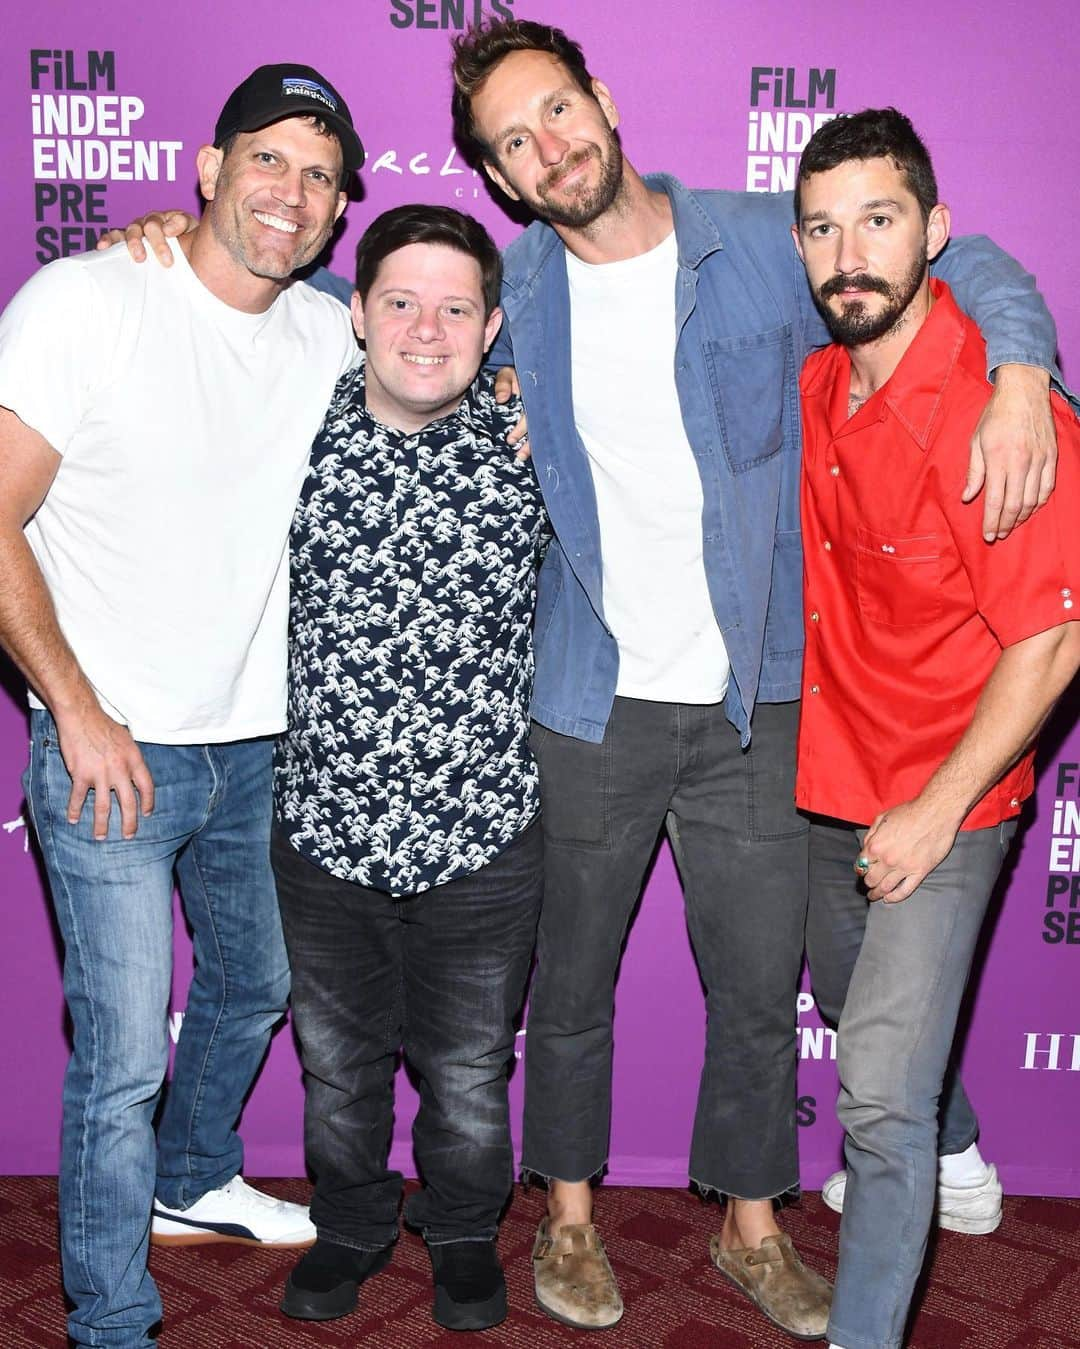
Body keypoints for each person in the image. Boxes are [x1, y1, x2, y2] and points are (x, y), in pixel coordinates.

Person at [445, 18, 1068, 1338]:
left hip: (760, 699)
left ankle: (749, 1225)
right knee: (571, 981)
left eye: (555, 110)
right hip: (590, 696)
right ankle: (565, 1220)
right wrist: (174, 236)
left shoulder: (758, 240)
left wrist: (1022, 370)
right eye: (514, 141)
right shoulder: (516, 290)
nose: (547, 148)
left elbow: (966, 260)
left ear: (600, 101)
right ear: (500, 179)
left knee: (754, 982)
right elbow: (374, 308)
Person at [0, 64, 364, 1347]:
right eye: (267, 158)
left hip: (259, 747)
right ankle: (111, 1319)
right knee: (121, 1062)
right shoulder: (88, 299)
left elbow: (456, 331)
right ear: (206, 170)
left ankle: (192, 1173)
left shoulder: (330, 329)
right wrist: (76, 708)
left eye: (320, 176)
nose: (293, 191)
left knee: (256, 981)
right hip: (114, 750)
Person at [790, 108, 1080, 1349]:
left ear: (937, 235)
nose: (848, 252)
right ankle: (960, 1148)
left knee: (877, 1102)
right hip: (826, 770)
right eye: (823, 225)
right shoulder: (816, 381)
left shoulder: (1004, 420)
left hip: (948, 794)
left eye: (880, 219)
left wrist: (938, 806)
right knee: (857, 1006)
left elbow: (1052, 641)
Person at [271, 204, 547, 1332]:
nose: (425, 329)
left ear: (491, 328)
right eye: (400, 302)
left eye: (454, 307)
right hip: (324, 827)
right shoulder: (291, 423)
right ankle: (350, 1222)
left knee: (471, 1069)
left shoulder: (541, 445)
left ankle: (467, 1226)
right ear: (357, 315)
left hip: (482, 828)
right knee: (338, 1069)